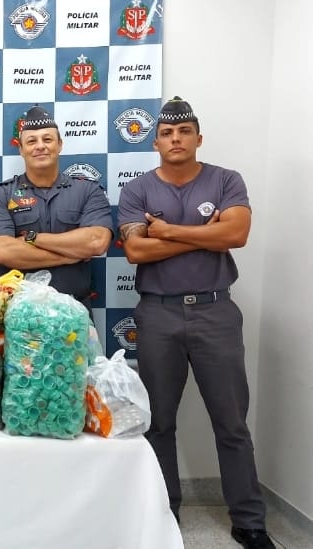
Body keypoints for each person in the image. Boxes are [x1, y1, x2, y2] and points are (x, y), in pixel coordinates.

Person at [117, 97, 273, 549]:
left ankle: (250, 522)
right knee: (159, 422)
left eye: (184, 131)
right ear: (155, 141)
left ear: (198, 138)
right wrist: (204, 237)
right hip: (157, 313)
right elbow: (136, 252)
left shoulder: (226, 180)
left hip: (215, 311)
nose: (175, 139)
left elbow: (236, 234)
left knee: (231, 422)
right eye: (167, 133)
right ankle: (166, 513)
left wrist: (167, 231)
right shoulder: (138, 190)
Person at [0, 106, 112, 306]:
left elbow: (96, 242)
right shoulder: (1, 194)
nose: (40, 146)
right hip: (18, 316)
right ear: (21, 149)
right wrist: (70, 256)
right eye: (31, 141)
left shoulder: (89, 190)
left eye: (47, 139)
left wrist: (33, 238)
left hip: (75, 312)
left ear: (60, 145)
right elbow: (1, 252)